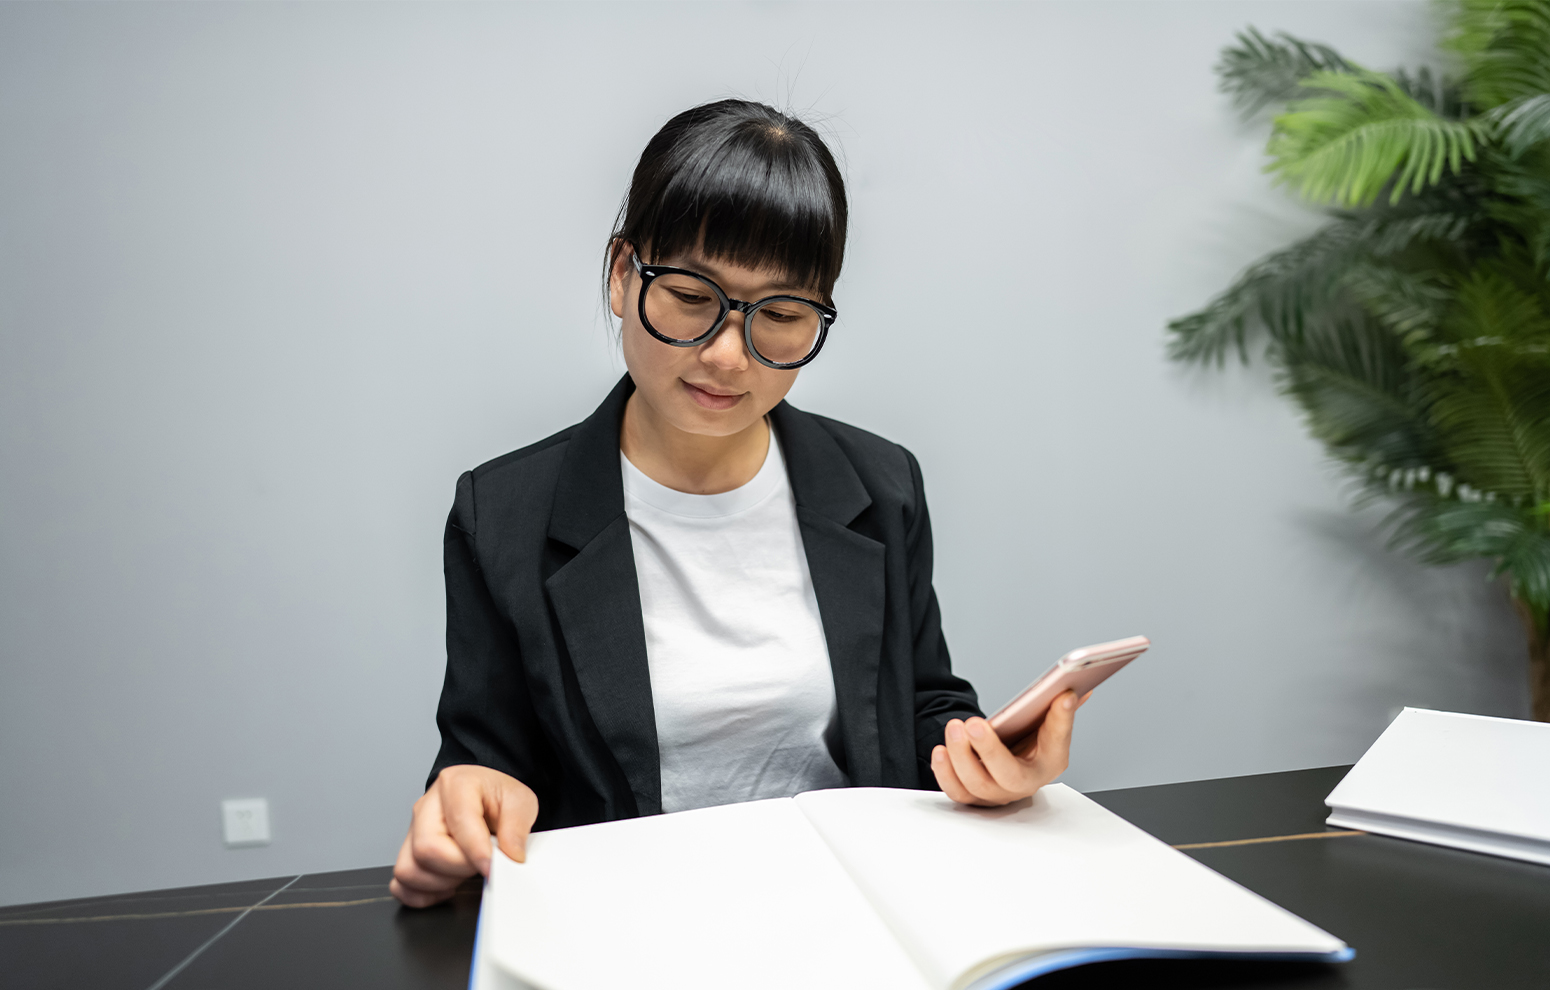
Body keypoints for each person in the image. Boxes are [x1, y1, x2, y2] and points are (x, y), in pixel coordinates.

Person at [390, 100, 1087, 908]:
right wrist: (466, 806)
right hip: (634, 923)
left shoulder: (879, 484)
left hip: (859, 910)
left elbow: (922, 702)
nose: (727, 354)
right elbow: (484, 762)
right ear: (622, 275)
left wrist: (989, 758)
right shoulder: (501, 514)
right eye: (691, 296)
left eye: (782, 316)